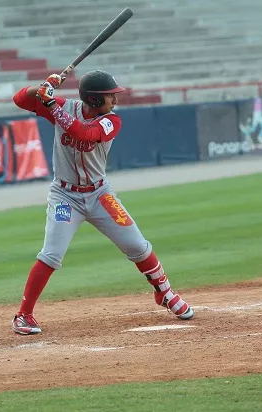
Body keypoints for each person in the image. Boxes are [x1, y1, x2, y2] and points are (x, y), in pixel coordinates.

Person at [10, 71, 194, 335]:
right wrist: (42, 88)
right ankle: (23, 315)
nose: (115, 100)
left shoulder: (111, 121)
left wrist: (49, 103)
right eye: (110, 96)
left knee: (137, 245)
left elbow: (84, 133)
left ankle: (165, 293)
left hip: (99, 194)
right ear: (95, 99)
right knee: (51, 254)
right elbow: (20, 100)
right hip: (65, 196)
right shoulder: (65, 107)